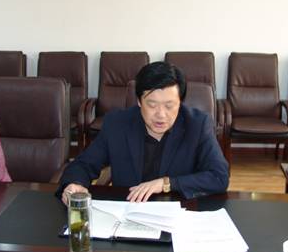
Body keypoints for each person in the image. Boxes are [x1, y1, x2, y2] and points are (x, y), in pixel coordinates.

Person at [58, 61, 229, 204]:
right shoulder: (117, 124)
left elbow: (219, 177)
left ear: (180, 102)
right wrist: (74, 184)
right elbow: (83, 164)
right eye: (152, 105)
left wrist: (166, 183)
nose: (161, 115)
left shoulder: (197, 125)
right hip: (128, 213)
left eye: (169, 106)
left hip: (178, 214)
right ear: (139, 101)